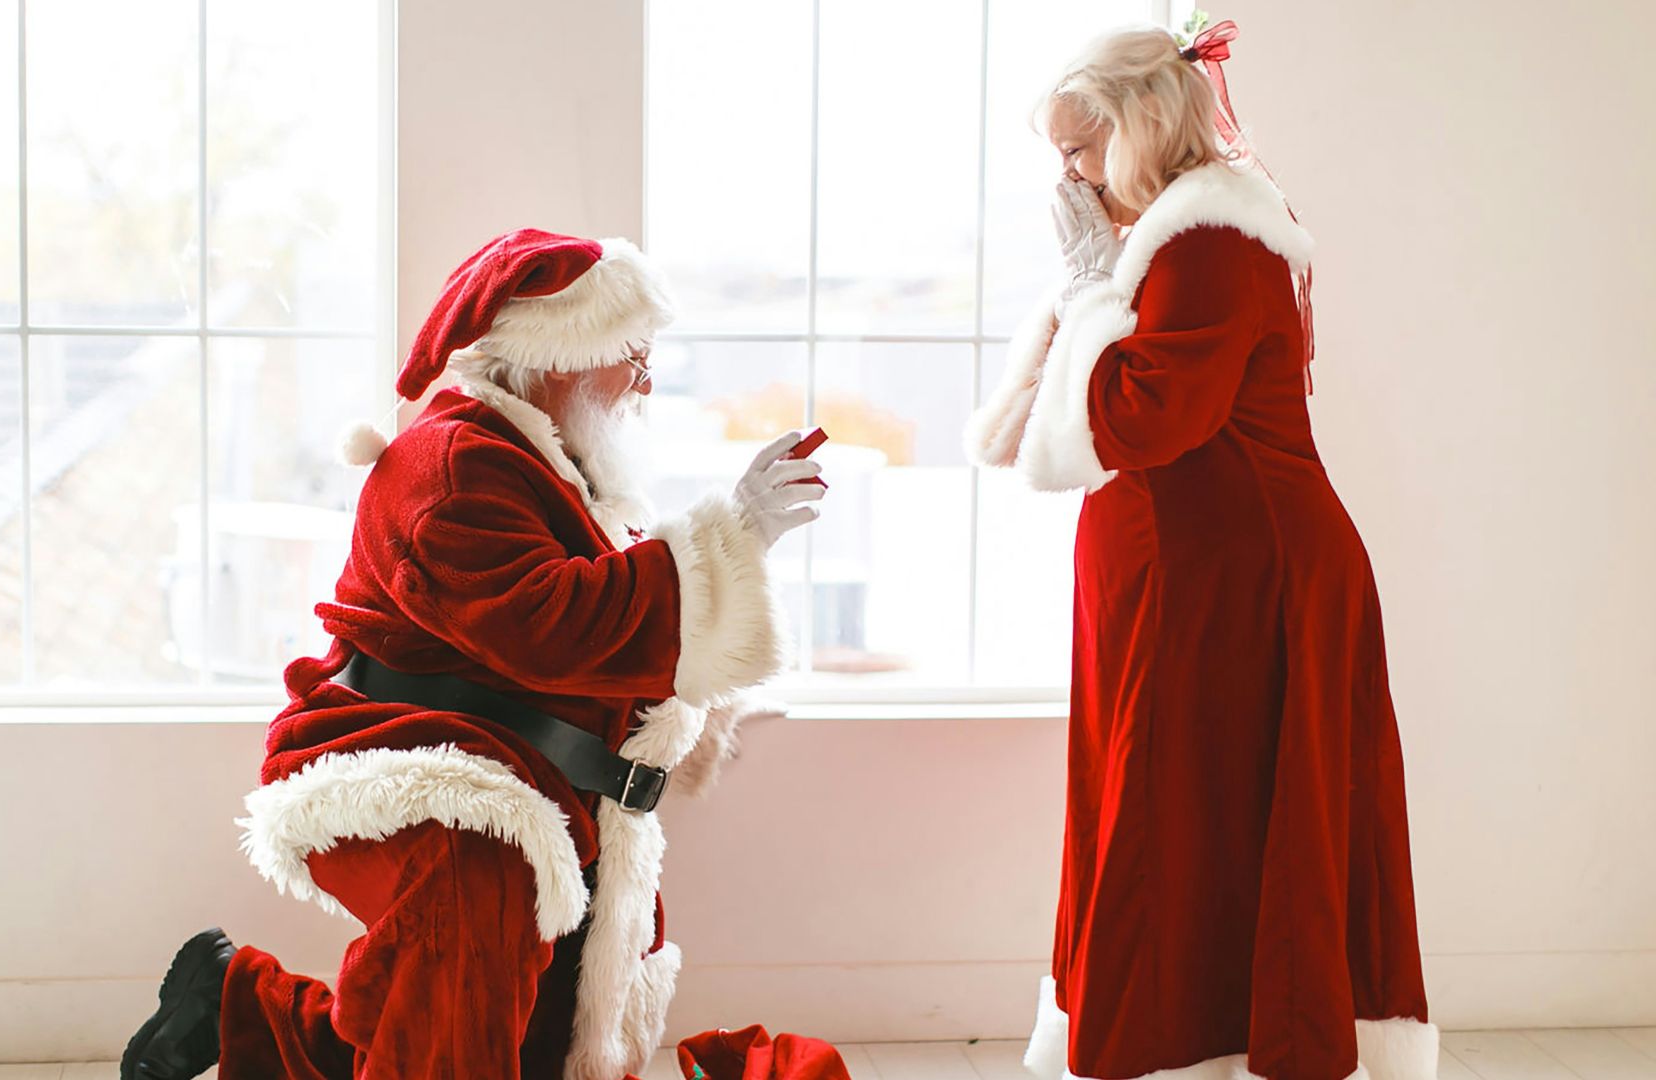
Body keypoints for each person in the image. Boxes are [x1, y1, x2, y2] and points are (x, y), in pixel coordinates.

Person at [121, 228, 823, 1080]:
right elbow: (554, 624)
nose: (645, 379)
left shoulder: (550, 457)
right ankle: (249, 1000)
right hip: (396, 757)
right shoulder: (452, 465)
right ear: (562, 356)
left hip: (524, 769)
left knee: (506, 1041)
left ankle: (234, 996)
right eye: (631, 355)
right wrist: (736, 531)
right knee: (469, 928)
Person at [964, 24, 1436, 1080]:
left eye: (1082, 149)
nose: (1070, 175)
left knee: (1193, 811)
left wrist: (1090, 288)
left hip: (1240, 583)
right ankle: (1175, 1035)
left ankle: (1200, 1043)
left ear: (1140, 131)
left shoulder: (1211, 240)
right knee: (1173, 809)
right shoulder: (1172, 238)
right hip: (1194, 575)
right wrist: (1092, 284)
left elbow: (1140, 419)